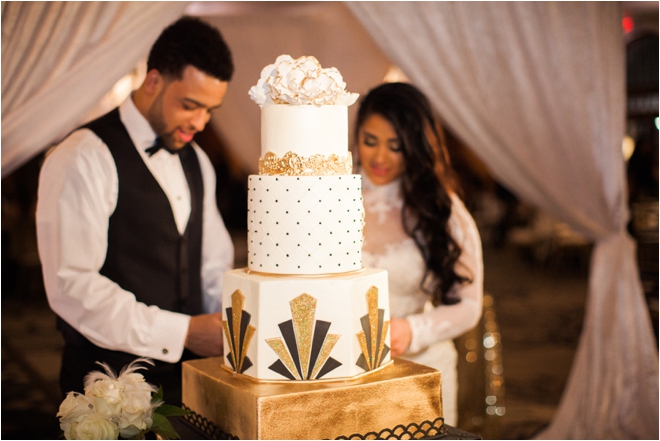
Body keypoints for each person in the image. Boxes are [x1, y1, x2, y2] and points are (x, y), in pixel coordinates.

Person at [36, 17, 235, 406]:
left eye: (210, 110)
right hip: (106, 385)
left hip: (188, 382)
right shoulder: (83, 156)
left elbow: (212, 265)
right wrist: (182, 332)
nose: (200, 122)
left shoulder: (197, 160)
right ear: (153, 81)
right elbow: (73, 286)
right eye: (190, 105)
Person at [355, 82, 484, 426]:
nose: (379, 158)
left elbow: (469, 306)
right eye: (370, 141)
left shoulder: (442, 210)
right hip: (345, 375)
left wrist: (412, 330)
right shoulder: (330, 195)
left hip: (421, 368)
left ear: (416, 147)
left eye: (395, 146)